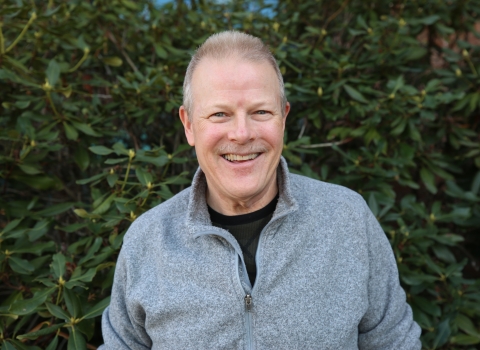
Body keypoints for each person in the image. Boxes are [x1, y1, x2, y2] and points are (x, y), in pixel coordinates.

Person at [100, 31, 422, 349]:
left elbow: (395, 342)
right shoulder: (147, 241)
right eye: (219, 114)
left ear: (283, 118)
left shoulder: (347, 219)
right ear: (188, 125)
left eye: (261, 112)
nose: (241, 133)